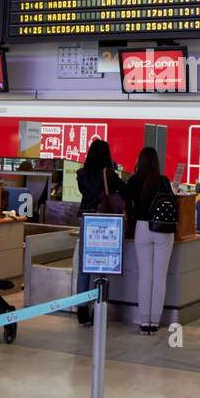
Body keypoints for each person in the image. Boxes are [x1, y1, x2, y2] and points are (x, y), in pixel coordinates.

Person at [74, 139, 126, 326]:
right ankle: (98, 309)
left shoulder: (81, 174)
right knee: (101, 267)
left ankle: (81, 310)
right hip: (104, 221)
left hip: (86, 219)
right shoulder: (109, 173)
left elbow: (85, 193)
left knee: (84, 267)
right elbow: (123, 190)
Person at [126, 146, 176, 334]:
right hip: (162, 229)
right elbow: (173, 203)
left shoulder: (133, 180)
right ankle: (154, 322)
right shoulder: (163, 181)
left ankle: (144, 320)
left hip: (142, 228)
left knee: (145, 275)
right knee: (159, 276)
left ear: (140, 160)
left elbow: (127, 205)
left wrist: (135, 217)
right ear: (156, 162)